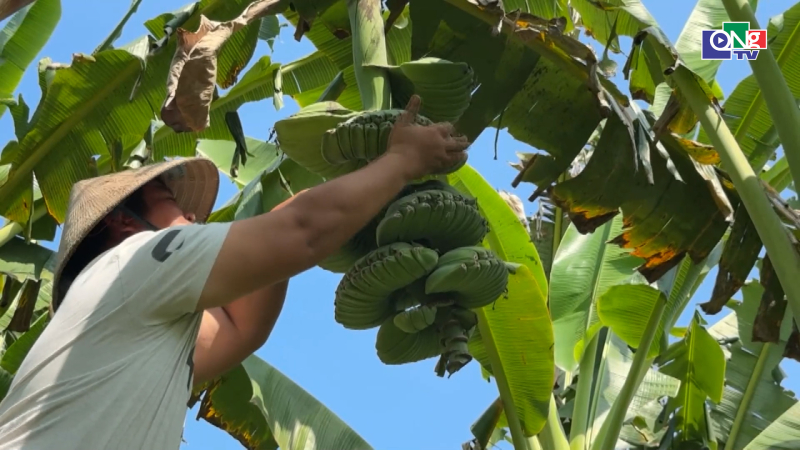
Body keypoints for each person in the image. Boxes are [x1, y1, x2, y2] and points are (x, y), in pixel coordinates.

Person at [0, 95, 470, 449]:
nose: (195, 221)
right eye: (171, 204)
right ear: (123, 221)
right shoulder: (132, 260)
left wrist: (359, 184)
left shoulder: (125, 319)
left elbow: (239, 327)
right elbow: (301, 234)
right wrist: (402, 162)